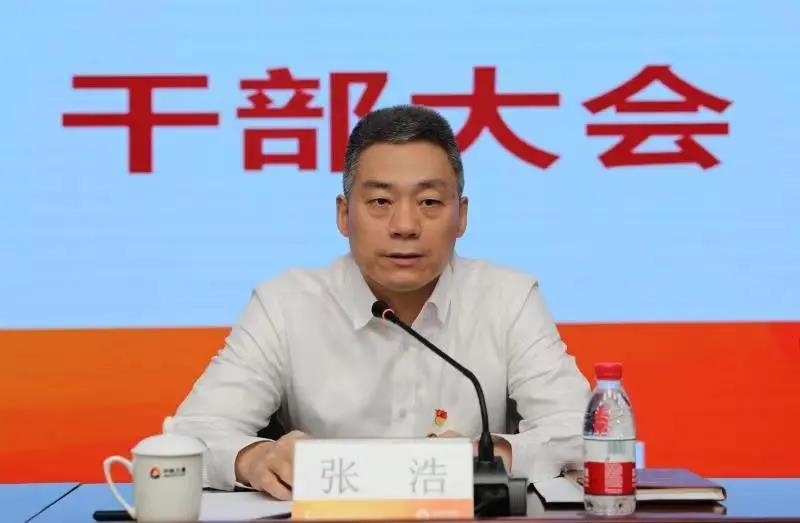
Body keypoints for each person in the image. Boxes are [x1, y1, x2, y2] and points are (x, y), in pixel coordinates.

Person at [169, 104, 590, 499]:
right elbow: (188, 437)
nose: (404, 225)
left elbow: (582, 433)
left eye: (429, 202)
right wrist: (255, 459)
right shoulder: (285, 305)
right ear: (343, 214)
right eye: (380, 202)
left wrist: (487, 456)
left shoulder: (508, 299)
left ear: (461, 215)